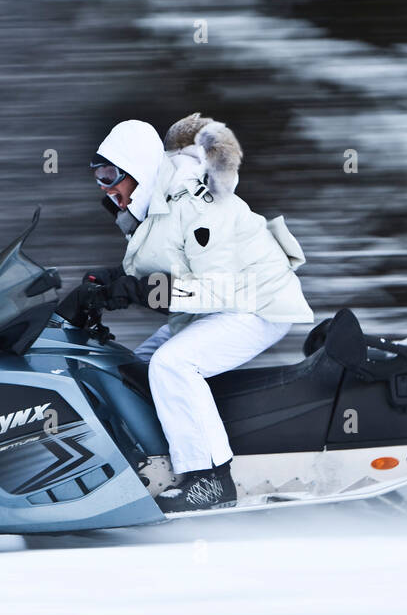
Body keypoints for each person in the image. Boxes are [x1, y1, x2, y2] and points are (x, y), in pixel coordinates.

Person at [61, 114, 314, 512]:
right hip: (218, 306)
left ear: (140, 170)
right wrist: (109, 285)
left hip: (259, 304)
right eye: (99, 177)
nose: (106, 188)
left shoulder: (196, 204)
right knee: (134, 371)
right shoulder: (155, 206)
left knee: (172, 365)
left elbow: (216, 286)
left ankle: (212, 479)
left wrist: (141, 291)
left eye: (112, 175)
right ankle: (154, 464)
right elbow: (169, 268)